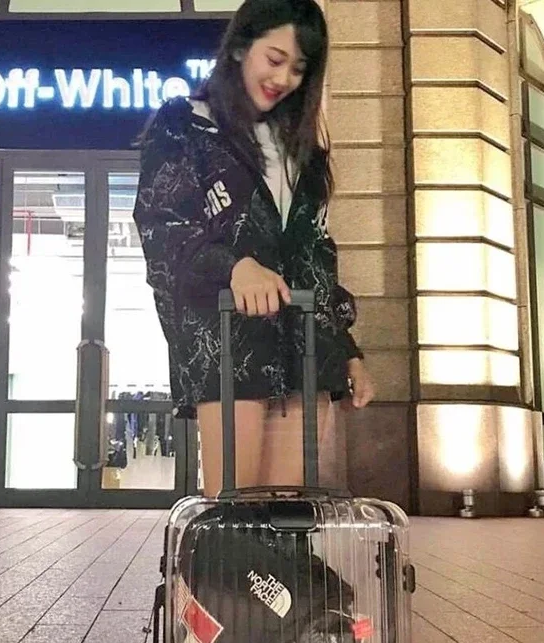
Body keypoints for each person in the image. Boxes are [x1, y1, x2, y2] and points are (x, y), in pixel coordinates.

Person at [133, 0, 375, 498]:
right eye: (275, 58)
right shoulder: (186, 125)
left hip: (305, 347)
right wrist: (234, 267)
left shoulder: (303, 152)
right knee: (233, 516)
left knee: (285, 516)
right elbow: (162, 226)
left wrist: (347, 350)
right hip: (231, 344)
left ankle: (278, 558)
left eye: (299, 68)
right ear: (241, 47)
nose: (284, 78)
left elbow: (317, 254)